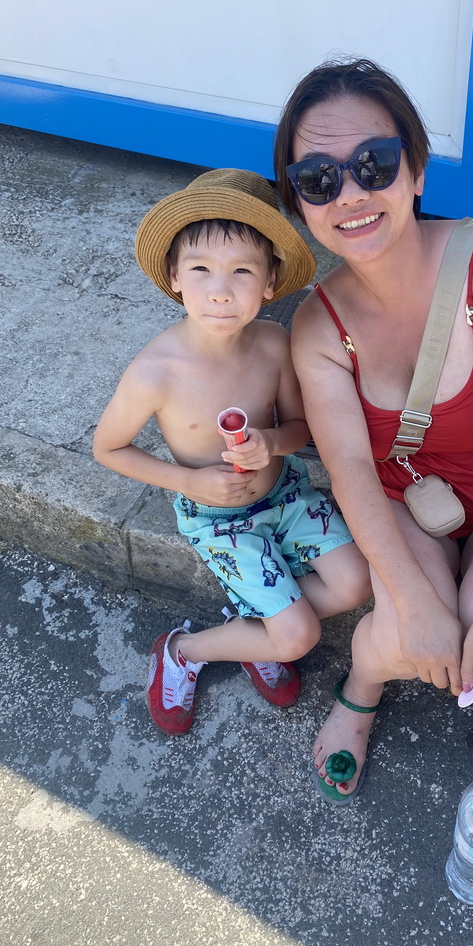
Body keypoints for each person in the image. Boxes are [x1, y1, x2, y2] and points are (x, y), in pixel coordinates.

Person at [274, 58, 473, 822]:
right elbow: (347, 469)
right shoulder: (317, 327)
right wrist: (408, 595)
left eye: (374, 164)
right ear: (300, 201)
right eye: (319, 179)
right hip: (407, 495)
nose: (351, 194)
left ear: (415, 170)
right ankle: (361, 690)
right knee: (405, 631)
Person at [93, 168, 371, 736]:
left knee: (356, 582)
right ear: (174, 277)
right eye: (201, 269)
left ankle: (257, 627)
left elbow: (298, 427)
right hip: (218, 519)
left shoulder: (274, 343)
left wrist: (271, 442)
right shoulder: (156, 370)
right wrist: (189, 483)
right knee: (298, 639)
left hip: (285, 494)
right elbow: (109, 448)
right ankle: (184, 650)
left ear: (270, 282)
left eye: (242, 270)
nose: (221, 290)